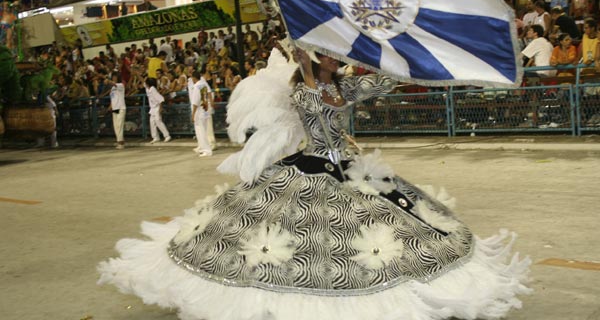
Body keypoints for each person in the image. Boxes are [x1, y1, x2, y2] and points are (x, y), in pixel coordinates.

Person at [99, 48, 531, 320]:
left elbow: (381, 82)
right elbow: (315, 106)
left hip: (348, 165)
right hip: (311, 166)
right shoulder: (303, 93)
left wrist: (391, 55)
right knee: (299, 234)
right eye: (323, 56)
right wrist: (306, 68)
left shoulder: (346, 85)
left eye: (331, 57)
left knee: (393, 222)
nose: (330, 61)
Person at [190, 70, 212, 157]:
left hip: (199, 111)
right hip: (205, 109)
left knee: (201, 131)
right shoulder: (203, 84)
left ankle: (206, 150)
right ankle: (203, 148)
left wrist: (193, 114)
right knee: (202, 131)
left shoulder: (196, 87)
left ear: (194, 78)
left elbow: (195, 102)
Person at [144, 78, 171, 144]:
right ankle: (155, 137)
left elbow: (161, 99)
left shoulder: (153, 89)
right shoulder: (148, 89)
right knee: (152, 123)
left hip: (157, 107)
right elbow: (143, 82)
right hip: (152, 108)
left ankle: (167, 135)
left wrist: (160, 108)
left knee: (158, 121)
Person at [107, 73, 126, 149]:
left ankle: (120, 143)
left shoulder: (121, 85)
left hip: (121, 107)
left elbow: (113, 83)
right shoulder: (112, 88)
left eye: (115, 77)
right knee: (116, 126)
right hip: (115, 108)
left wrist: (108, 80)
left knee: (120, 125)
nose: (114, 78)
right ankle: (120, 141)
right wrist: (110, 106)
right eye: (113, 77)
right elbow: (113, 98)